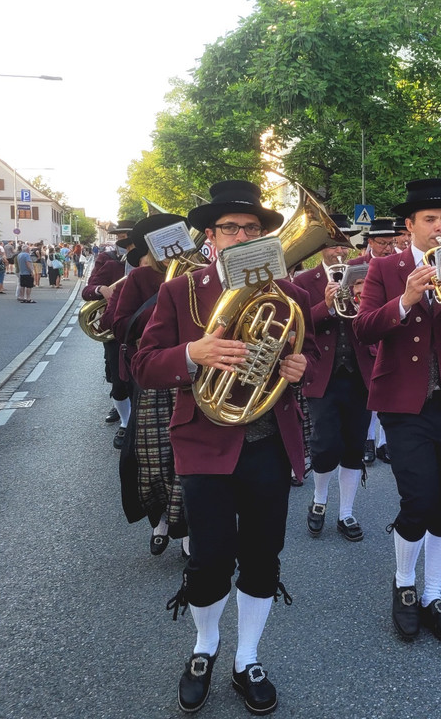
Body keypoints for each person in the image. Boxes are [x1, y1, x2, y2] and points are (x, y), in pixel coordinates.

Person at [132, 180, 317, 715]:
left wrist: (299, 369)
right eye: (231, 229)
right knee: (210, 558)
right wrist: (193, 351)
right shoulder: (179, 291)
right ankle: (205, 645)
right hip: (205, 443)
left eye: (253, 229)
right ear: (210, 237)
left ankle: (248, 656)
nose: (242, 237)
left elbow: (312, 355)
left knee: (262, 555)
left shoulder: (289, 292)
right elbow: (143, 365)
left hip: (267, 445)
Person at [354, 178, 441, 644]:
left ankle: (433, 593)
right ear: (409, 226)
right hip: (403, 405)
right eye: (430, 219)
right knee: (418, 500)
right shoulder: (385, 268)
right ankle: (404, 585)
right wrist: (406, 299)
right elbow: (365, 329)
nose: (440, 227)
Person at [109, 213, 192, 559]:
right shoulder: (141, 277)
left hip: (190, 373)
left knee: (187, 453)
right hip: (154, 378)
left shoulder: (196, 274)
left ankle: (188, 528)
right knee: (153, 457)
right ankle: (159, 521)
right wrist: (164, 301)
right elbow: (120, 326)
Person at [294, 215, 375, 542]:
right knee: (325, 446)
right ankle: (320, 500)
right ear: (321, 249)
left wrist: (361, 298)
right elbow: (297, 327)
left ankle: (346, 512)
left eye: (344, 244)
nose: (339, 251)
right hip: (322, 373)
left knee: (354, 446)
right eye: (331, 245)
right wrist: (325, 305)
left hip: (359, 373)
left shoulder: (365, 275)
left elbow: (373, 320)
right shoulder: (304, 281)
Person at [355, 216, 402, 464]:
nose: (387, 248)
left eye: (391, 242)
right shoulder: (356, 265)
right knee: (370, 393)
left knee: (389, 392)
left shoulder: (400, 265)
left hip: (393, 334)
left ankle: (385, 442)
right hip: (368, 336)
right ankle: (369, 439)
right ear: (370, 242)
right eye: (382, 243)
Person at [85, 222, 136, 428]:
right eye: (120, 235)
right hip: (114, 326)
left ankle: (133, 417)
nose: (123, 239)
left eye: (127, 235)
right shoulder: (108, 260)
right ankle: (124, 418)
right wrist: (101, 290)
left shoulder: (146, 260)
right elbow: (88, 290)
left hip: (139, 325)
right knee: (116, 375)